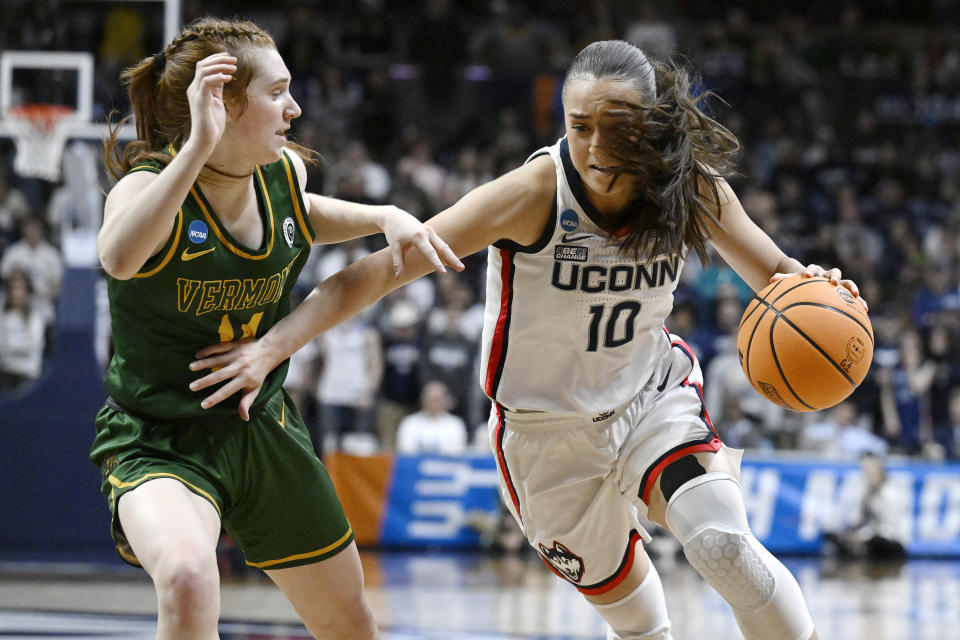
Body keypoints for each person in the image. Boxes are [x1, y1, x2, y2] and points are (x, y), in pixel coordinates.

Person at [190, 41, 870, 640]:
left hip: (649, 401)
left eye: (620, 128)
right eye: (581, 128)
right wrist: (274, 345)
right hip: (545, 439)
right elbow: (384, 269)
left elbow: (778, 276)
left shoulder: (688, 183)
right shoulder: (534, 191)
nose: (599, 149)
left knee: (723, 545)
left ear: (652, 126)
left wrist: (827, 294)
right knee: (641, 626)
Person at [89, 17, 461, 640]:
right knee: (186, 578)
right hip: (160, 436)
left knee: (351, 623)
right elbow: (120, 257)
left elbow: (304, 217)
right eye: (276, 92)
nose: (293, 108)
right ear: (222, 107)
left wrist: (383, 215)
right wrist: (196, 148)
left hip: (261, 427)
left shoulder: (284, 175)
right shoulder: (144, 188)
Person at [396, 380, 469, 455]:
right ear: (423, 400)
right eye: (432, 400)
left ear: (445, 400)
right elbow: (405, 451)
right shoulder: (409, 422)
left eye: (438, 399)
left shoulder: (455, 424)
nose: (435, 404)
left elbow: (458, 452)